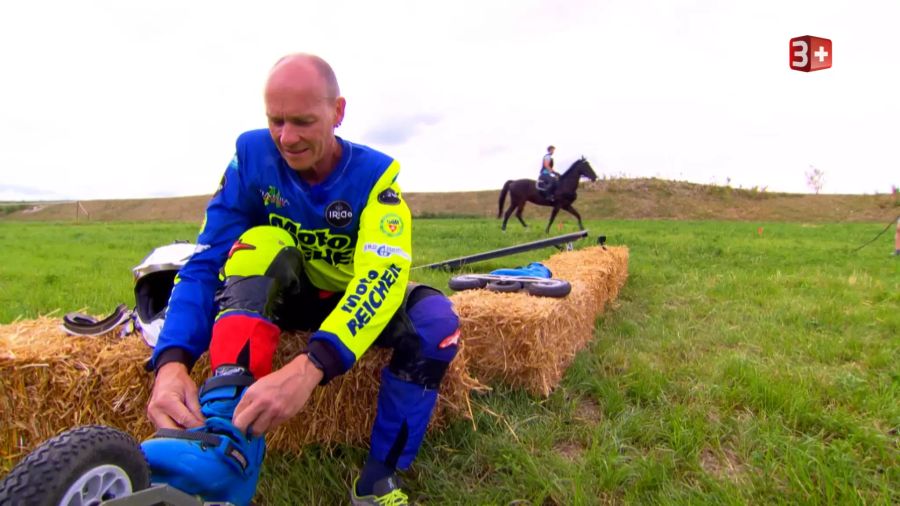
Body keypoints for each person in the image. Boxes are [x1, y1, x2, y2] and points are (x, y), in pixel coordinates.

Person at [140, 53, 460, 506]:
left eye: (303, 122)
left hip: (347, 296)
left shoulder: (376, 179)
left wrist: (312, 367)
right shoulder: (251, 158)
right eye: (276, 121)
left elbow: (381, 279)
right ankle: (227, 443)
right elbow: (207, 260)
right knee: (260, 242)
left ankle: (378, 479)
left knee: (436, 323)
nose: (286, 138)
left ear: (338, 112)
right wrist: (170, 361)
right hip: (284, 292)